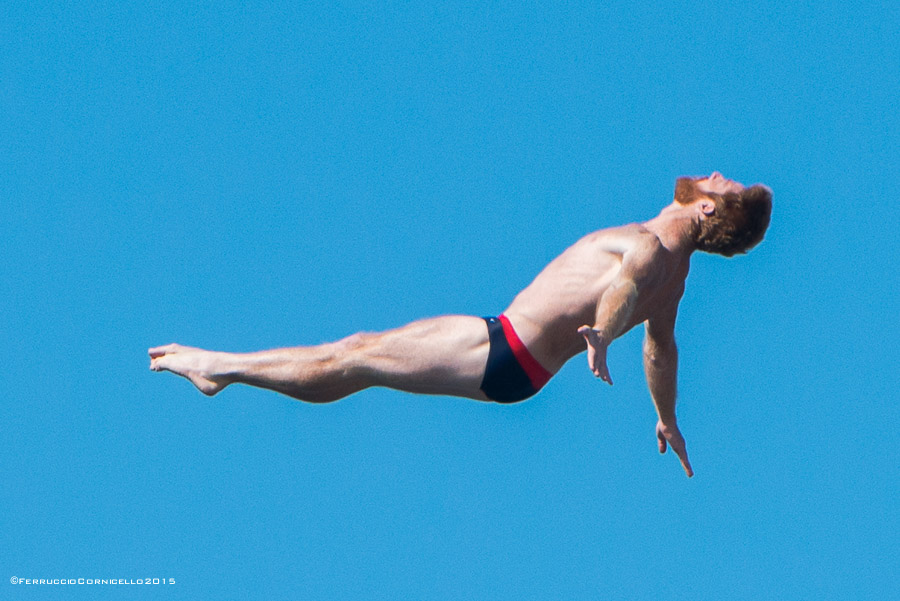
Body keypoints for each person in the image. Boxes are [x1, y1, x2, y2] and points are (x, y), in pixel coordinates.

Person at [149, 172, 772, 477]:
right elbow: (662, 347)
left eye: (724, 182)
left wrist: (603, 335)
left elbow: (624, 288)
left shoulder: (651, 249)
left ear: (708, 205)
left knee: (358, 354)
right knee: (361, 360)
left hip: (504, 348)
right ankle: (224, 369)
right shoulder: (679, 276)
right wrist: (666, 415)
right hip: (515, 362)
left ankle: (219, 369)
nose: (713, 172)